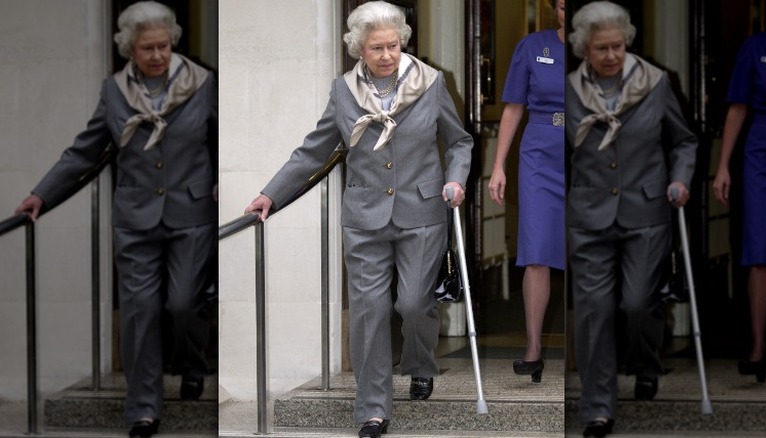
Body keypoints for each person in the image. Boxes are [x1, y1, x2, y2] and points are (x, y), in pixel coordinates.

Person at [243, 2, 472, 437]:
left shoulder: (431, 82)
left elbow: (459, 142)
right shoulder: (344, 91)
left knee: (413, 302)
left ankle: (421, 361)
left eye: (393, 45)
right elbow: (314, 149)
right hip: (364, 214)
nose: (387, 55)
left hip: (422, 210)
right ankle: (372, 410)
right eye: (376, 48)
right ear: (358, 50)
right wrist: (271, 193)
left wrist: (456, 179)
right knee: (369, 310)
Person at [14, 2, 217, 437]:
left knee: (183, 304)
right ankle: (142, 410)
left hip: (191, 210)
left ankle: (191, 364)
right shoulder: (114, 91)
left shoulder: (203, 83)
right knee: (140, 312)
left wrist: (226, 184)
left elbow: (225, 139)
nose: (158, 55)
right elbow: (85, 149)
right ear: (130, 49)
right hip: (134, 216)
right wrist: (42, 195)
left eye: (163, 45)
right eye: (147, 48)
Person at [565, 2, 697, 436]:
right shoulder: (568, 90)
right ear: (585, 49)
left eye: (617, 46)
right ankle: (597, 408)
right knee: (594, 311)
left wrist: (680, 180)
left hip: (646, 209)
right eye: (601, 48)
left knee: (639, 302)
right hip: (589, 214)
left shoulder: (656, 83)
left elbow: (683, 141)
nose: (611, 56)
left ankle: (645, 362)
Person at [487, 0, 565, 383]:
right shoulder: (534, 46)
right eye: (565, 6)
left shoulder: (605, 49)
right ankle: (533, 348)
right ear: (556, 9)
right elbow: (514, 108)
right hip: (539, 154)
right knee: (536, 249)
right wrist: (498, 165)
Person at [712, 0, 766, 384]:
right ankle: (757, 347)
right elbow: (737, 108)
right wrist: (723, 167)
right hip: (763, 150)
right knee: (760, 248)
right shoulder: (757, 47)